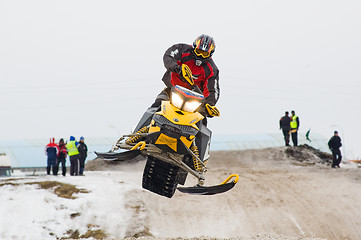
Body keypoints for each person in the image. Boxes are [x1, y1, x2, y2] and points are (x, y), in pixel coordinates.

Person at [151, 34, 220, 118]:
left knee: (201, 119)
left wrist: (210, 104)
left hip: (195, 99)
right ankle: (142, 129)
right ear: (194, 48)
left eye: (204, 54)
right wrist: (178, 69)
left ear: (210, 54)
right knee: (157, 106)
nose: (200, 55)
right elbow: (168, 56)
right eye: (199, 51)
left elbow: (213, 90)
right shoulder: (182, 50)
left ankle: (195, 131)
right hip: (172, 90)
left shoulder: (212, 69)